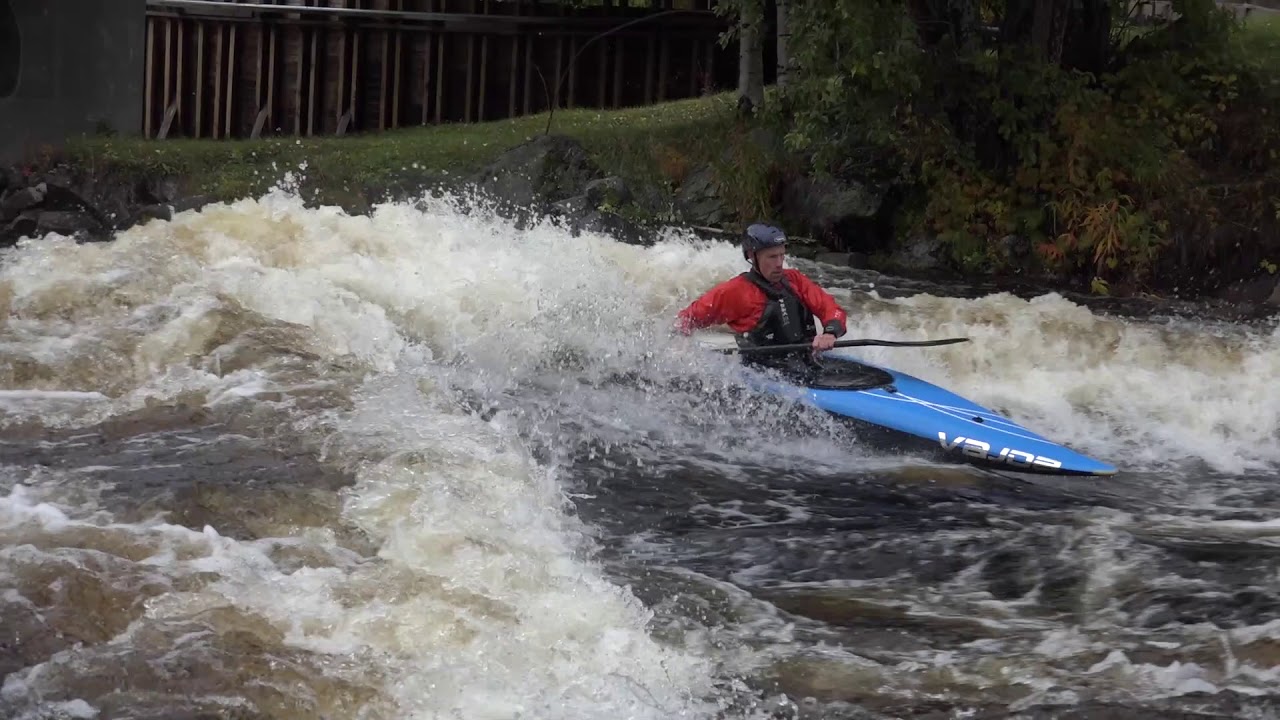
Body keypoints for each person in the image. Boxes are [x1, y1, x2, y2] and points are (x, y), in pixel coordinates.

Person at [674, 223, 849, 372]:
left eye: (782, 255)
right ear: (752, 256)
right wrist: (679, 345)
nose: (779, 263)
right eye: (772, 257)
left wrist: (830, 332)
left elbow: (831, 309)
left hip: (806, 361)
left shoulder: (794, 280)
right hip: (765, 372)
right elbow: (689, 318)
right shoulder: (735, 291)